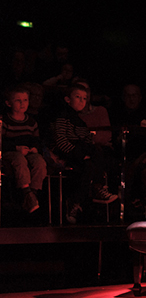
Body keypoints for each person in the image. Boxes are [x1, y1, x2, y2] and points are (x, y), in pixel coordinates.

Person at [50, 83, 118, 223]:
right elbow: (61, 140)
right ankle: (77, 201)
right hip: (69, 152)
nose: (82, 101)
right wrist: (79, 155)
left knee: (99, 154)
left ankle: (96, 189)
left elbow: (87, 140)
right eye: (78, 97)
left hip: (81, 151)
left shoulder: (80, 121)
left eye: (85, 98)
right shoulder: (63, 117)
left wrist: (88, 149)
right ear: (68, 99)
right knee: (88, 165)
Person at [2, 84, 47, 213]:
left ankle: (33, 193)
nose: (22, 104)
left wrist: (35, 148)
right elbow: (1, 142)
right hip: (11, 151)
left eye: (25, 100)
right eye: (18, 100)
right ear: (8, 103)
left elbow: (36, 139)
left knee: (39, 162)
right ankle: (26, 192)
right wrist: (16, 148)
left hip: (28, 151)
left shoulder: (31, 122)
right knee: (19, 160)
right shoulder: (4, 121)